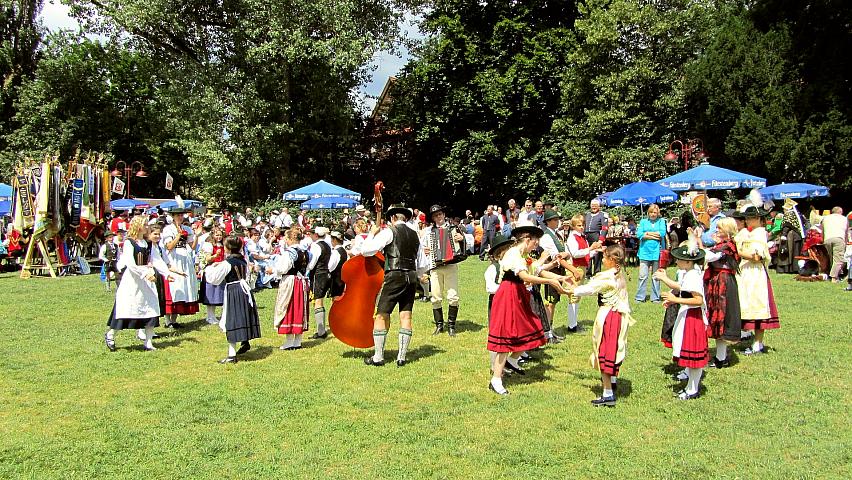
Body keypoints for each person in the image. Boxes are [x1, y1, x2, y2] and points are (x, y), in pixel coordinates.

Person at [487, 220, 570, 395]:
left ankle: (512, 361)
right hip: (507, 295)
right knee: (506, 336)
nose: (535, 246)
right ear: (526, 239)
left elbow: (537, 270)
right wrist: (551, 282)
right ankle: (496, 380)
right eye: (534, 242)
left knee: (532, 327)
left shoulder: (524, 256)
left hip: (518, 294)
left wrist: (560, 279)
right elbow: (525, 276)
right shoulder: (513, 255)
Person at [566, 245, 634, 407]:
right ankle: (613, 381)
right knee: (614, 348)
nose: (602, 260)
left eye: (604, 258)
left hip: (609, 316)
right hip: (618, 316)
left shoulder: (608, 278)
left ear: (612, 260)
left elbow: (588, 289)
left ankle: (608, 393)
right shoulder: (618, 273)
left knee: (605, 351)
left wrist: (568, 289)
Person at [361, 204, 423, 367]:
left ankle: (378, 357)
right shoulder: (415, 235)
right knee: (406, 315)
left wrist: (371, 234)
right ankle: (401, 357)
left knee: (381, 314)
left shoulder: (389, 231)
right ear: (406, 218)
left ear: (393, 218)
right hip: (411, 276)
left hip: (394, 275)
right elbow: (422, 263)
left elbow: (367, 251)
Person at [653, 245, 708, 400]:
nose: (676, 261)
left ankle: (692, 389)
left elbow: (698, 300)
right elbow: (682, 288)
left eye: (679, 259)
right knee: (688, 352)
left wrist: (675, 299)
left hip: (693, 317)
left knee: (693, 356)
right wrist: (672, 299)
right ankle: (690, 384)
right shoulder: (689, 273)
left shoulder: (693, 276)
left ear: (688, 262)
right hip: (687, 314)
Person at [104, 216, 160, 352]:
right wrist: (145, 274)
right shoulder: (129, 243)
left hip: (146, 281)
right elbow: (130, 264)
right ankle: (111, 335)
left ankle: (148, 342)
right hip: (133, 281)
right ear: (138, 226)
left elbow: (156, 259)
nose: (147, 227)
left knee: (150, 307)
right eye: (145, 224)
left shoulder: (147, 243)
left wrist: (168, 274)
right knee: (127, 307)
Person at [205, 235, 261, 364]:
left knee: (231, 320)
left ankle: (231, 355)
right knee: (242, 315)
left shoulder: (227, 263)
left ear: (227, 248)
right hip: (244, 290)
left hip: (234, 291)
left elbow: (214, 279)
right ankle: (245, 341)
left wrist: (209, 268)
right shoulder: (243, 261)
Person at [735, 202, 780, 355]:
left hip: (755, 273)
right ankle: (747, 335)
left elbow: (757, 257)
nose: (746, 221)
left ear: (756, 218)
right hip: (744, 272)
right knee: (745, 303)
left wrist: (738, 252)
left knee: (757, 305)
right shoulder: (747, 233)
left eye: (749, 218)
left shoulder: (759, 233)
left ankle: (758, 343)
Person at [421, 205, 468, 336]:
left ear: (443, 214)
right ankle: (439, 325)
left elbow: (466, 244)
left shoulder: (453, 228)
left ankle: (451, 326)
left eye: (440, 214)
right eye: (435, 215)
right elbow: (422, 248)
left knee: (453, 296)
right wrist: (426, 251)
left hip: (451, 265)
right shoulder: (429, 232)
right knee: (435, 296)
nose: (438, 217)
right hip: (435, 267)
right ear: (433, 218)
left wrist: (462, 239)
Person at [701, 218, 741, 368]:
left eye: (719, 229)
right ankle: (720, 356)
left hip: (723, 284)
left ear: (728, 232)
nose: (716, 231)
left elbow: (710, 256)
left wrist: (697, 244)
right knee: (717, 320)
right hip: (716, 282)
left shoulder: (728, 246)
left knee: (721, 320)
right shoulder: (721, 245)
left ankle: (721, 358)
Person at [539, 209, 582, 343]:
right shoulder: (547, 236)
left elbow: (566, 253)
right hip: (551, 271)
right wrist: (573, 269)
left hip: (558, 271)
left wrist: (566, 255)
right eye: (555, 219)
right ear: (549, 221)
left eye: (558, 219)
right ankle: (547, 333)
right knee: (550, 302)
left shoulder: (556, 234)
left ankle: (550, 330)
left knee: (554, 301)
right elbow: (557, 257)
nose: (558, 221)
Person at [269, 227, 311, 350]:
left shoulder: (290, 252)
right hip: (302, 282)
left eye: (286, 238)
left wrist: (272, 270)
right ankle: (297, 340)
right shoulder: (306, 252)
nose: (285, 240)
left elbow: (283, 268)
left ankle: (288, 342)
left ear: (291, 239)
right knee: (300, 308)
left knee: (289, 307)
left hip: (291, 282)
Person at [161, 207, 199, 327]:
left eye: (182, 215)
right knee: (174, 287)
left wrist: (196, 236)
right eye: (178, 215)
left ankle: (174, 319)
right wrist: (178, 235)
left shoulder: (186, 228)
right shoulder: (168, 229)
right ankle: (168, 320)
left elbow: (192, 246)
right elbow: (169, 247)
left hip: (185, 258)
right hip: (173, 258)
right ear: (173, 216)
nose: (180, 217)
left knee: (183, 287)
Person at [566, 214, 603, 333]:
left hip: (582, 267)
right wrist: (591, 249)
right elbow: (575, 253)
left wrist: (596, 251)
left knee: (577, 296)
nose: (581, 227)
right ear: (573, 226)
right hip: (574, 268)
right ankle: (572, 325)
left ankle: (574, 323)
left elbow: (586, 254)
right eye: (579, 225)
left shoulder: (582, 237)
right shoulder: (572, 237)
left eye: (583, 225)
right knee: (574, 296)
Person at [306, 226, 337, 339]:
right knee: (320, 301)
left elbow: (312, 264)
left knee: (318, 301)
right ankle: (322, 329)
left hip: (318, 274)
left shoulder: (316, 246)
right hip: (326, 273)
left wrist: (307, 268)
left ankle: (321, 331)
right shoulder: (327, 245)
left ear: (315, 235)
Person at [635, 204, 667, 303]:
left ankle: (655, 297)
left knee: (656, 276)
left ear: (658, 213)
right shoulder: (643, 221)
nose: (653, 214)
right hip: (644, 252)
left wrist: (647, 234)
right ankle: (640, 297)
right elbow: (639, 234)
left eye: (655, 213)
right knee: (642, 275)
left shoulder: (661, 221)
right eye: (651, 212)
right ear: (648, 213)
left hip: (657, 252)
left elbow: (662, 233)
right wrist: (653, 235)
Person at [484, 233, 513, 326]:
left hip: (511, 299)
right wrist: (506, 289)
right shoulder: (493, 268)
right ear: (500, 251)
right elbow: (490, 288)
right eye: (508, 249)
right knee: (499, 324)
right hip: (498, 301)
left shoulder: (512, 265)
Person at [199, 227, 226, 325]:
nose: (219, 237)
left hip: (220, 272)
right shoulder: (208, 245)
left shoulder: (223, 245)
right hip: (211, 271)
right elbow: (208, 259)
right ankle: (210, 316)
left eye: (220, 235)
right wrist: (215, 256)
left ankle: (217, 316)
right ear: (213, 235)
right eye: (217, 235)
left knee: (218, 294)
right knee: (211, 295)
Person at [821, 207, 849, 282]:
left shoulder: (825, 218)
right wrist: (845, 243)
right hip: (839, 238)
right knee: (838, 259)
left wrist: (823, 240)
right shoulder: (844, 218)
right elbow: (846, 233)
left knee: (831, 259)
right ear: (840, 212)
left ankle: (831, 275)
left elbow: (822, 230)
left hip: (827, 239)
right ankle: (834, 278)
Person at [584, 199, 608, 277]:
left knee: (597, 256)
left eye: (595, 205)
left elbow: (604, 228)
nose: (594, 207)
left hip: (596, 236)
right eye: (592, 205)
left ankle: (597, 273)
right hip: (587, 237)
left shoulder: (603, 215)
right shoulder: (587, 215)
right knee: (588, 255)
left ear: (599, 206)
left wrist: (600, 240)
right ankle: (588, 274)